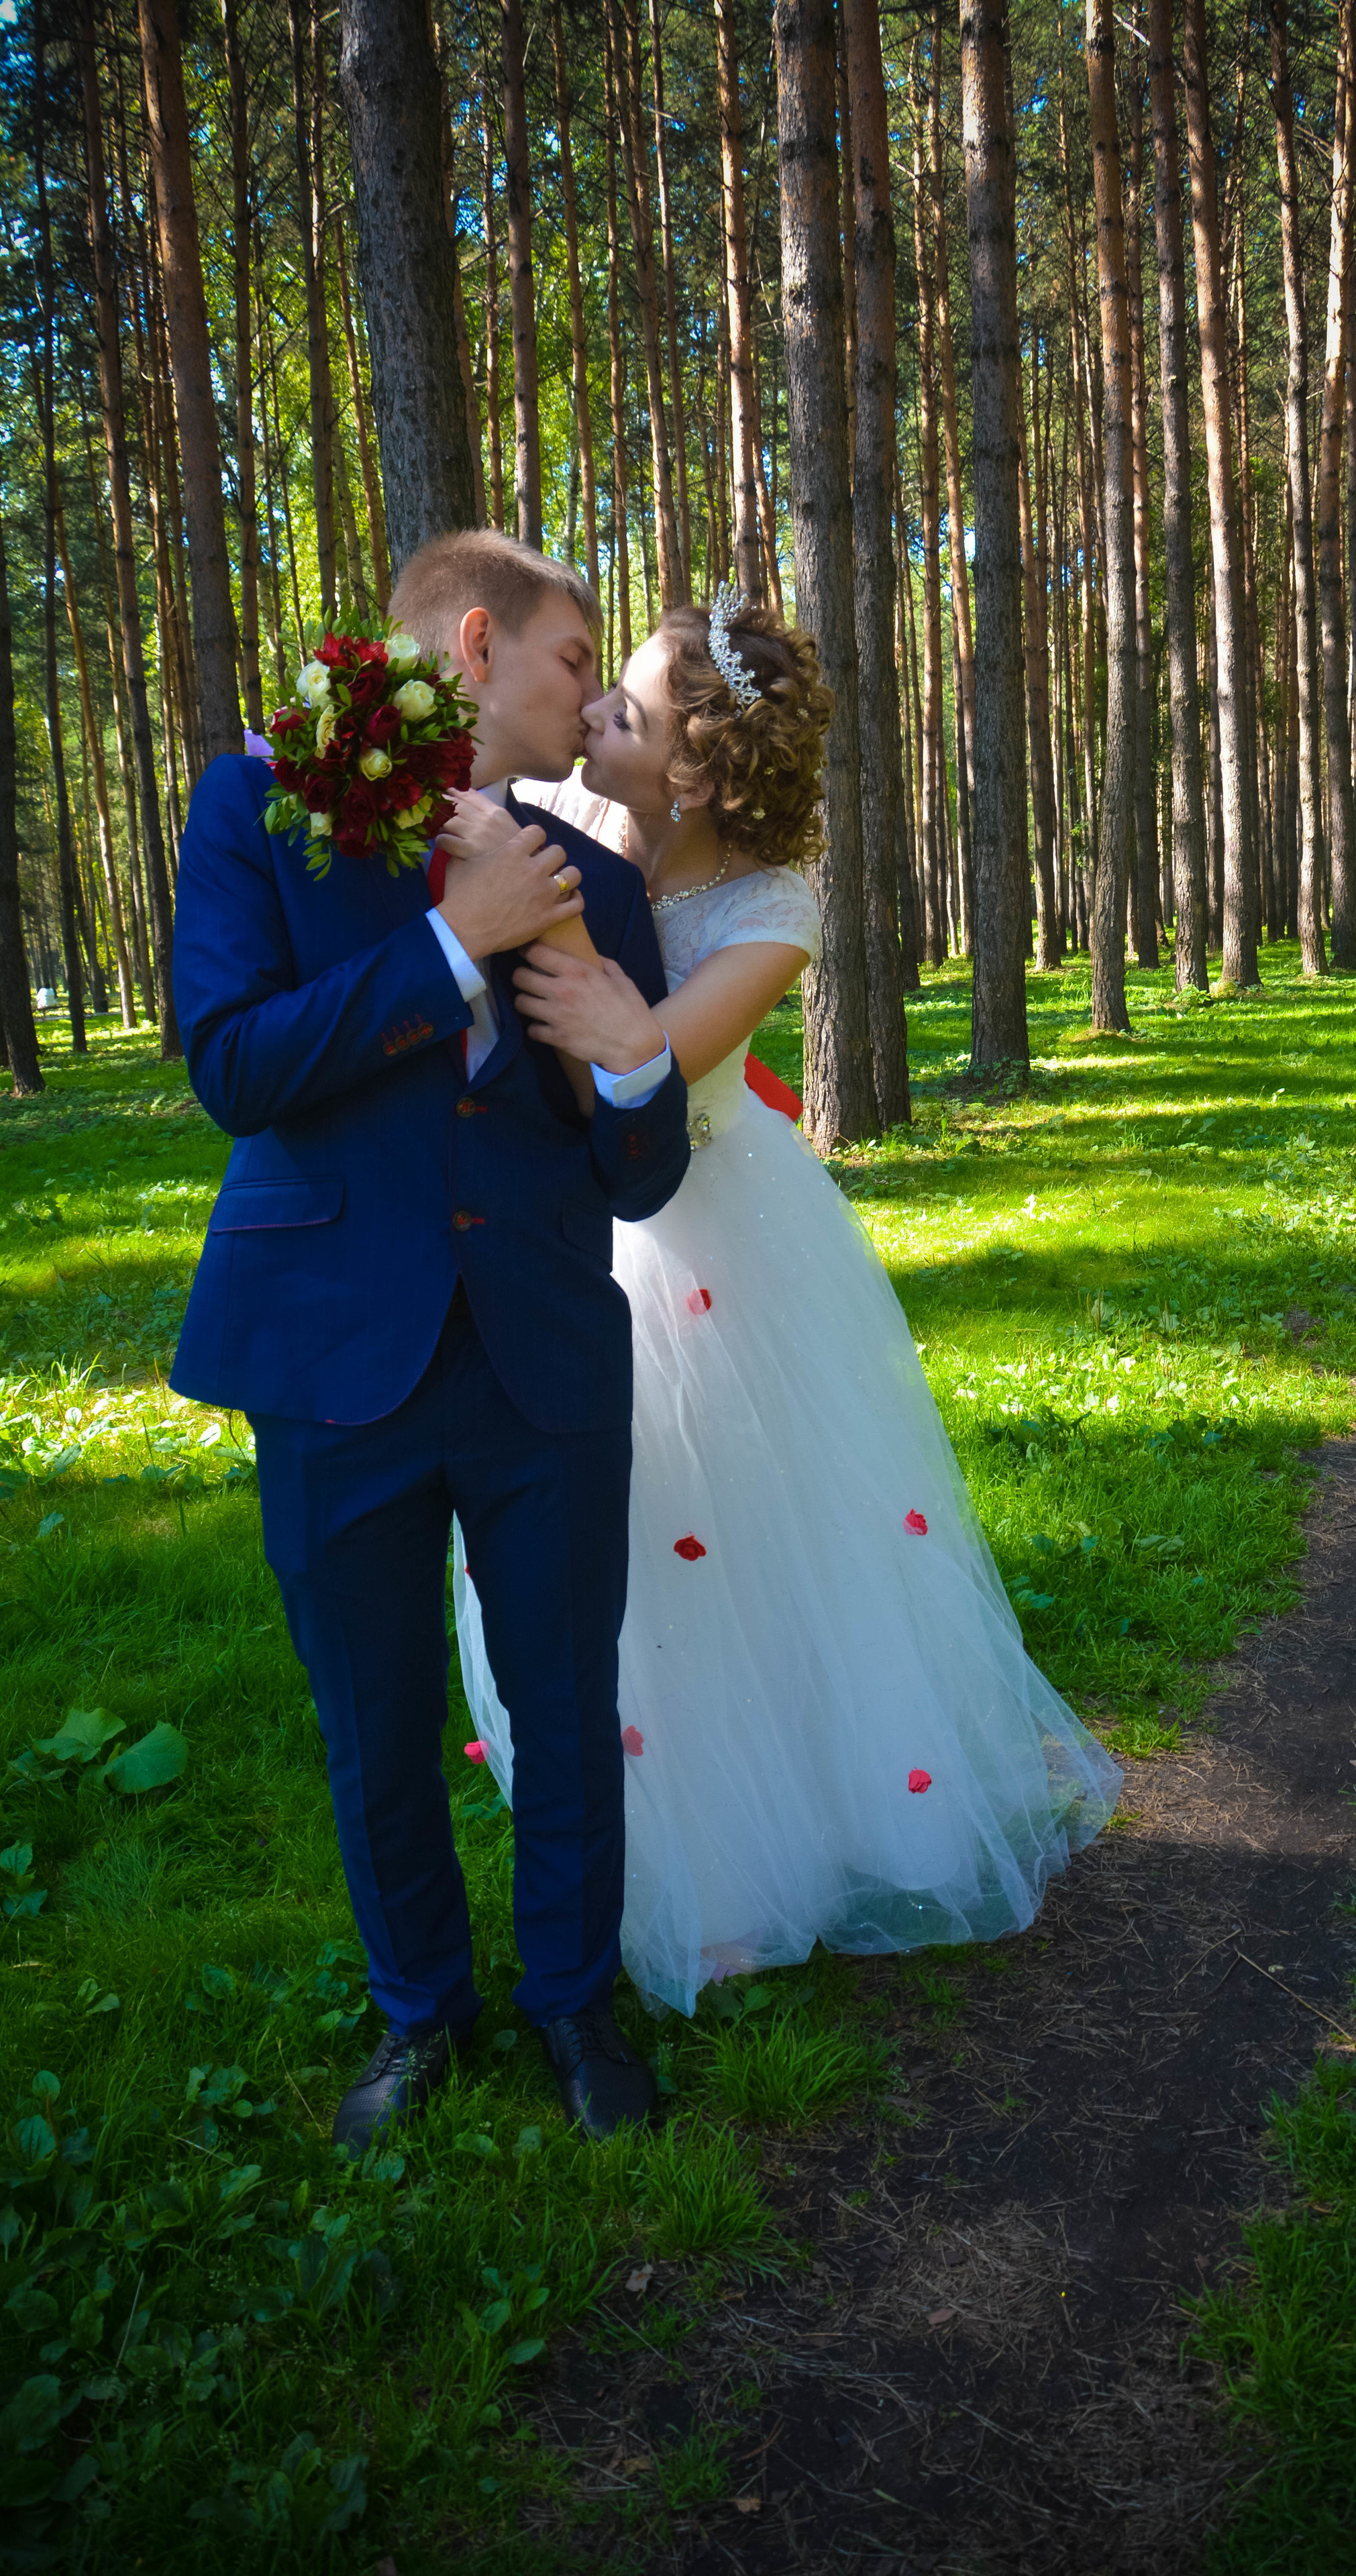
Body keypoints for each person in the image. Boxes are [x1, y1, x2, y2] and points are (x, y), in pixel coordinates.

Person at [446, 590, 1119, 2019]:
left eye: (620, 709)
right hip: (595, 1243)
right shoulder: (572, 827)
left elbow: (655, 1054)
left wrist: (579, 993)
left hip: (723, 1251)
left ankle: (780, 1849)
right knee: (623, 1549)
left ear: (688, 768)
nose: (591, 720)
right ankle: (679, 1840)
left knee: (745, 1536)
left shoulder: (772, 905)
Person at [170, 530, 690, 2150]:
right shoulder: (255, 816)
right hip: (332, 1355)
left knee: (562, 1700)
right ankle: (418, 2018)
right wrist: (451, 942)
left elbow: (642, 1172)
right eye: (567, 656)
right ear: (474, 644)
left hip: (541, 1357)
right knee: (374, 1716)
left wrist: (627, 1065)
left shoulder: (598, 883)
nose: (591, 691)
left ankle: (573, 2010)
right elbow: (236, 1069)